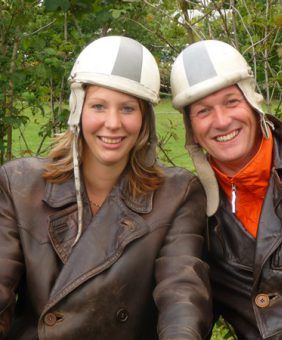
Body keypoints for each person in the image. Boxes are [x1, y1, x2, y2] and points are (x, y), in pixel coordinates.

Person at [0, 36, 213, 339]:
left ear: (144, 119)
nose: (112, 123)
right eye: (99, 106)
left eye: (127, 108)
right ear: (78, 110)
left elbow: (182, 294)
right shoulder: (19, 184)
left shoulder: (176, 194)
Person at [170, 39, 282, 339]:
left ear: (252, 101)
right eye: (203, 111)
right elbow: (182, 299)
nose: (222, 121)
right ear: (191, 127)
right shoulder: (195, 213)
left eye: (231, 102)